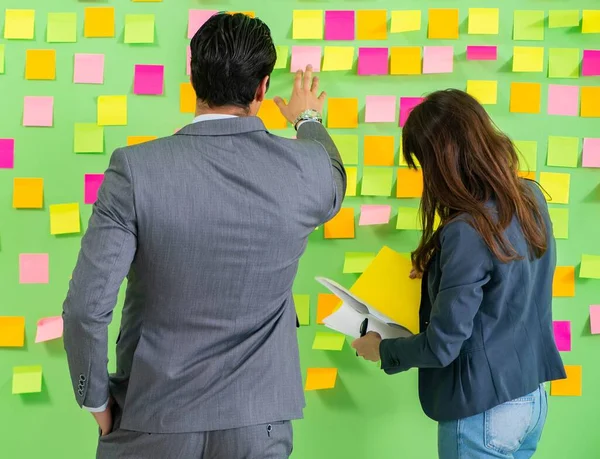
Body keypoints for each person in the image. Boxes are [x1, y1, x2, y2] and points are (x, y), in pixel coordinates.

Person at [62, 13, 345, 459]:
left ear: (192, 73)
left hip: (151, 419)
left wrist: (94, 399)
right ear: (262, 89)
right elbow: (335, 176)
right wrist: (307, 117)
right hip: (260, 426)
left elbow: (85, 308)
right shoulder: (306, 169)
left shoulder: (134, 170)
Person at [352, 89, 566, 459]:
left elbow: (442, 346)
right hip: (531, 400)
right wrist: (440, 269)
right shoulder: (531, 197)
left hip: (484, 413)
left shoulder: (467, 231)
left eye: (424, 164)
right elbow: (510, 285)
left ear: (444, 163)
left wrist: (382, 350)